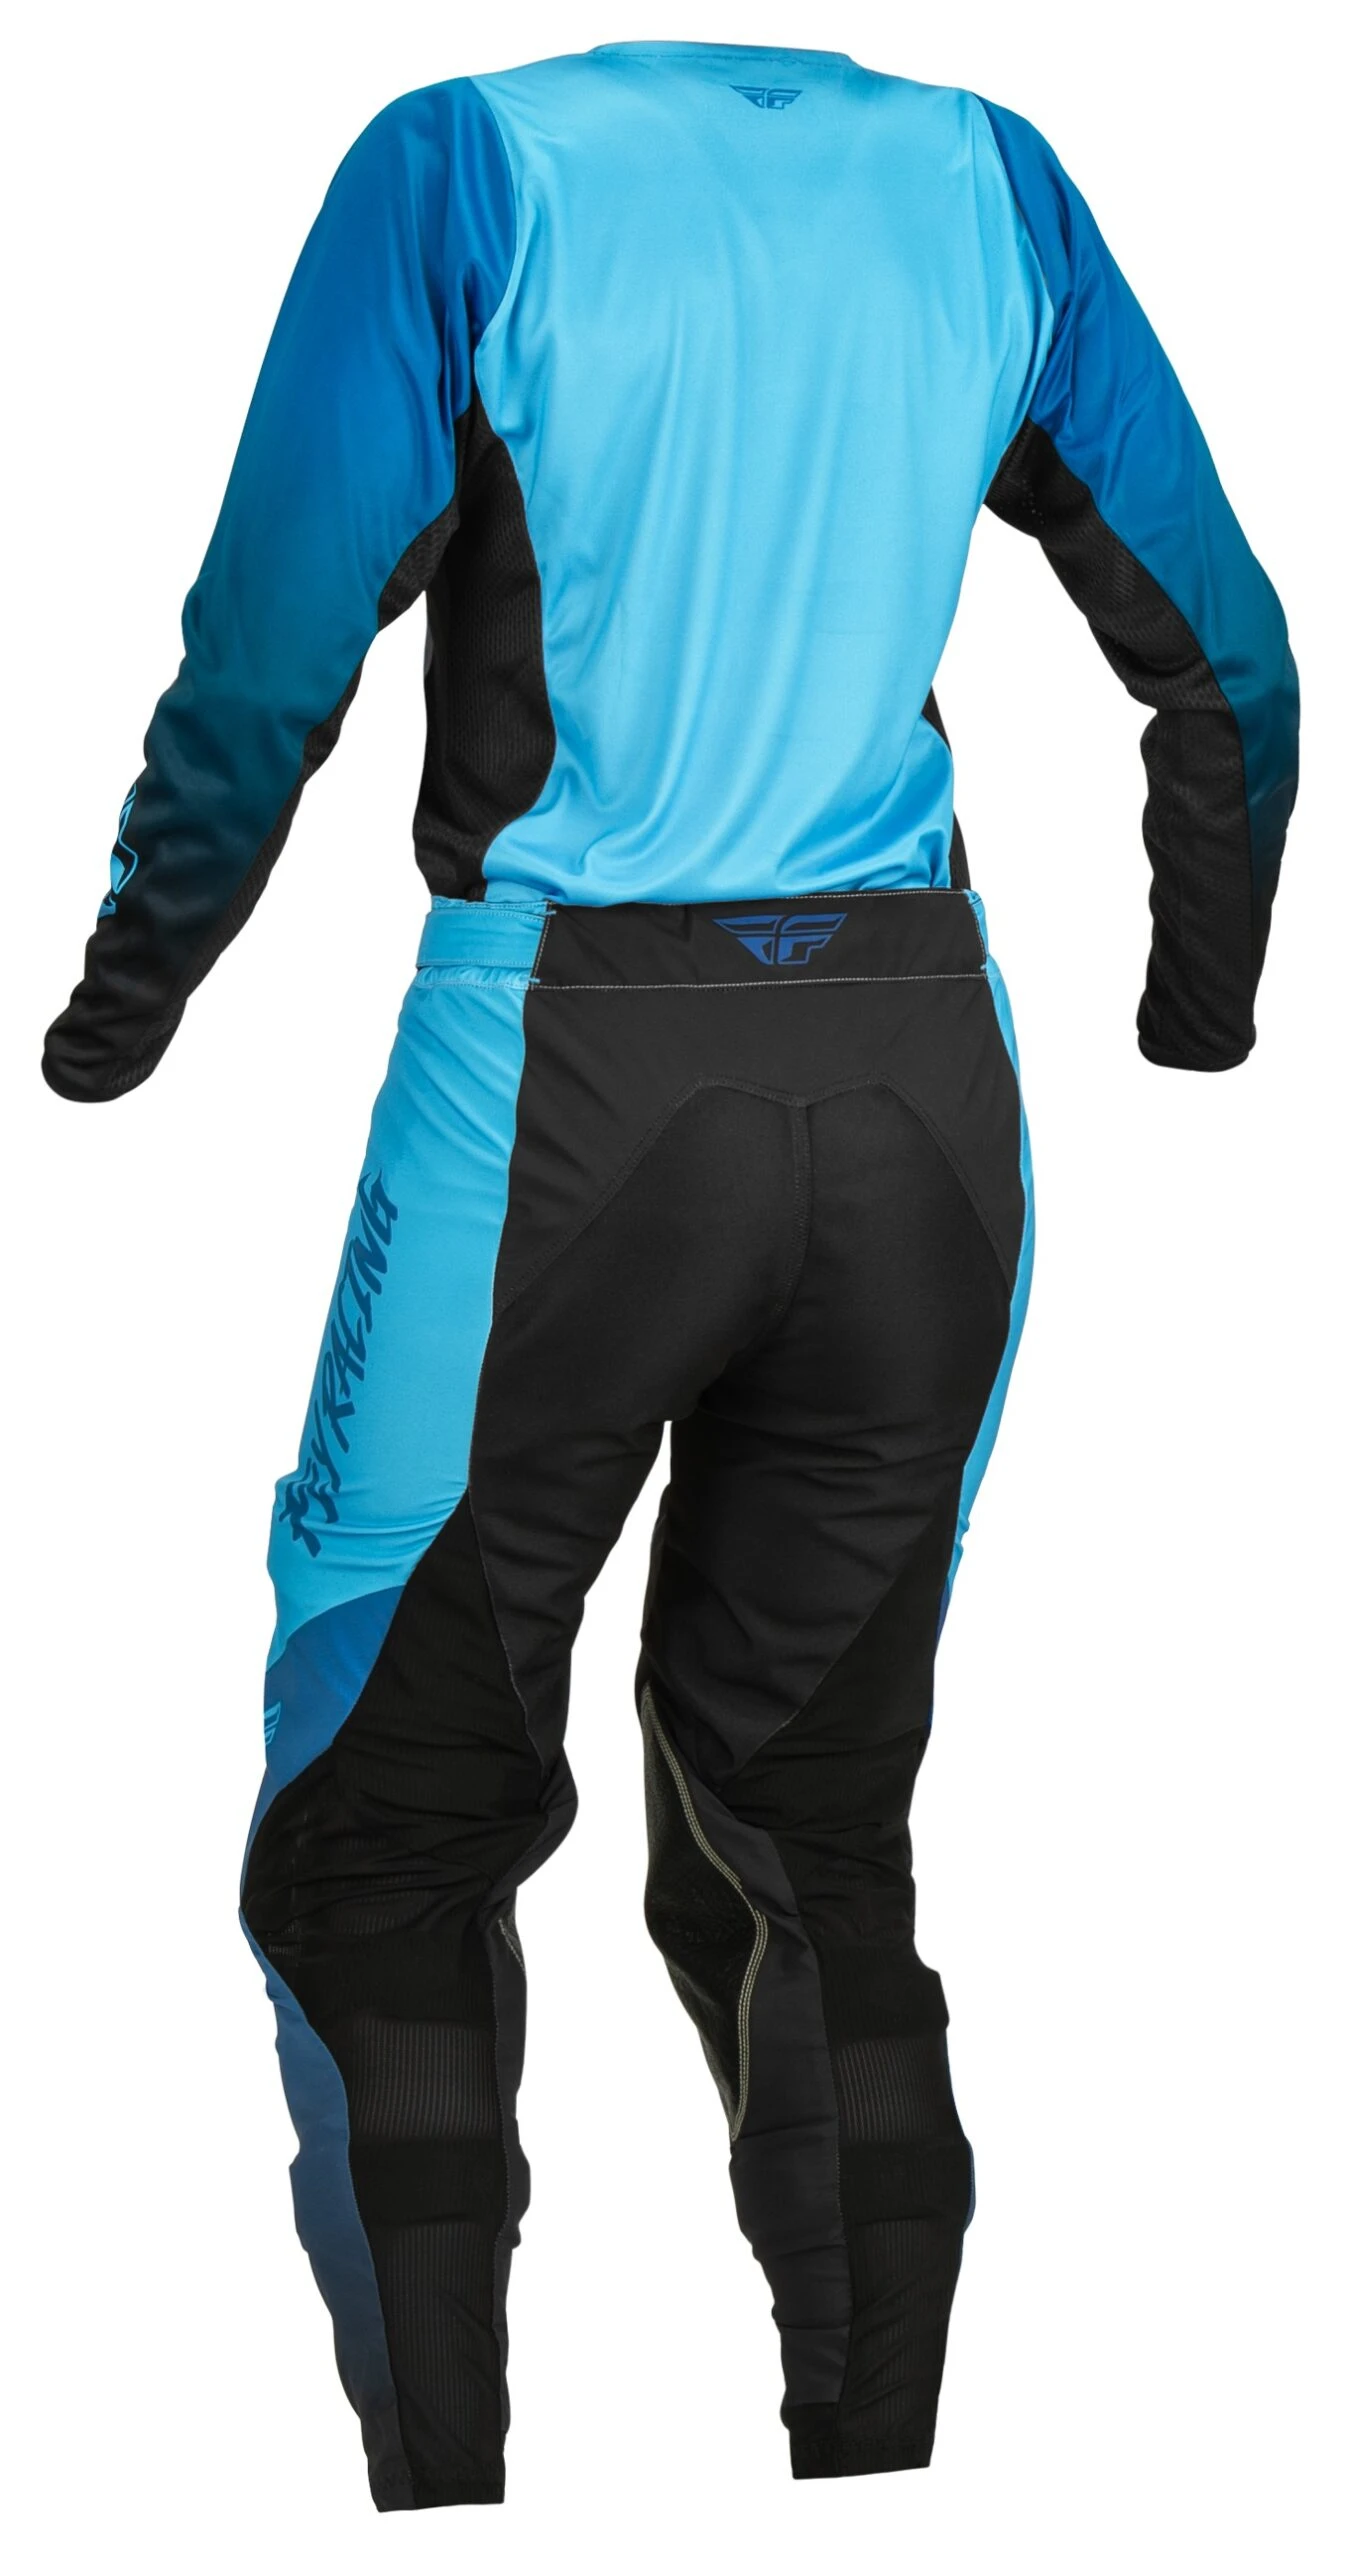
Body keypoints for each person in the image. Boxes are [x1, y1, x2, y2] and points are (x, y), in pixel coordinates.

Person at [42, 42, 1297, 2512]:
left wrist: (124, 1000)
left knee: (379, 1826)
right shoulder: (990, 178)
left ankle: (444, 2489)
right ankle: (885, 2477)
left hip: (568, 1080)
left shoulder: (464, 167)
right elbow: (1233, 656)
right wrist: (1202, 1000)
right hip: (927, 1090)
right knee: (813, 1826)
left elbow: (268, 655)